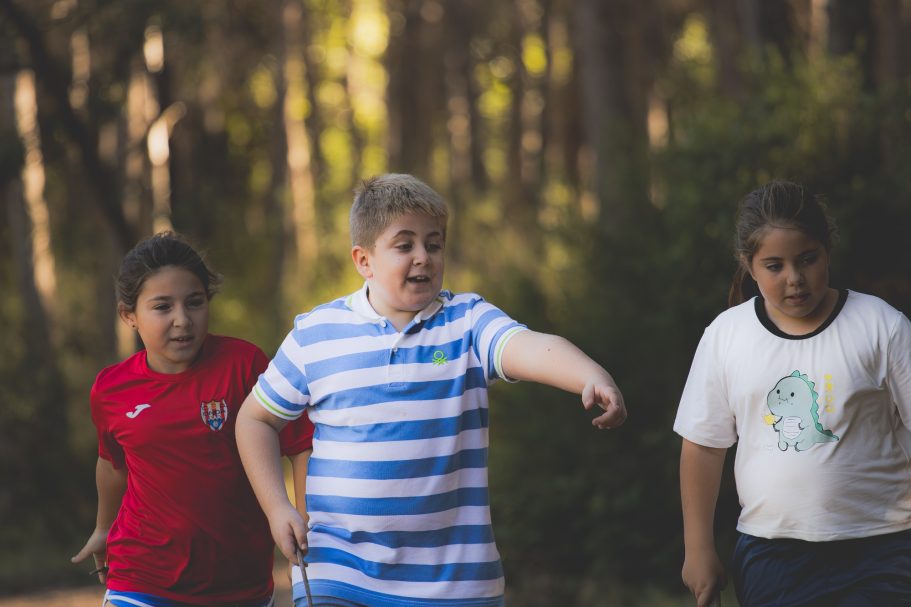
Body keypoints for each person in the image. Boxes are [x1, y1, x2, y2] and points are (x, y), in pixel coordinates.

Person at [235, 173, 627, 607]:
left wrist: (588, 374)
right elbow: (255, 419)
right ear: (364, 260)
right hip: (338, 571)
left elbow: (526, 345)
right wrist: (277, 508)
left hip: (453, 581)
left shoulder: (467, 320)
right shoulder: (317, 334)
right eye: (405, 245)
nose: (423, 257)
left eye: (434, 244)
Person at [675, 180, 911, 607]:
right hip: (772, 555)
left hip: (883, 547)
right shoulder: (727, 336)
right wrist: (698, 548)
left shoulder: (881, 326)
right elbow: (704, 448)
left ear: (827, 250)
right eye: (774, 266)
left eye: (807, 260)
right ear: (749, 265)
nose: (794, 279)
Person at [71, 231, 314, 607]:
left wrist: (303, 523)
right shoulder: (111, 388)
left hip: (239, 584)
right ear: (129, 315)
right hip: (141, 579)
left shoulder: (245, 365)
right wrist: (104, 528)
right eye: (162, 307)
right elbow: (112, 465)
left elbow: (301, 446)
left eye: (195, 303)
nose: (182, 320)